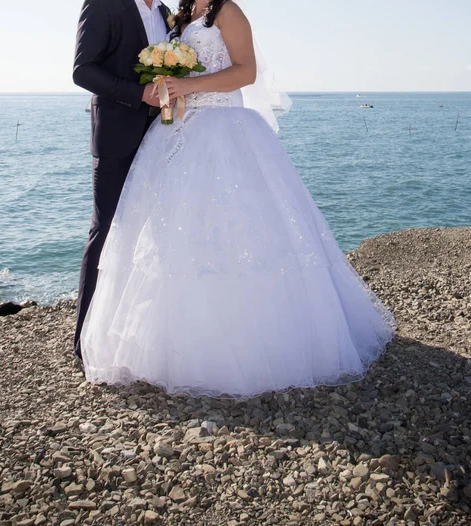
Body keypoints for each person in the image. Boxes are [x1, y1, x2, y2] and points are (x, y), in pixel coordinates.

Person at [80, 0, 396, 398]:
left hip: (224, 129)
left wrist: (189, 85)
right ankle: (173, 341)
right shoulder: (177, 17)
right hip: (177, 131)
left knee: (235, 232)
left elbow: (247, 71)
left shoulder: (226, 10)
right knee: (171, 237)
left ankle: (249, 344)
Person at [72, 0, 174, 370]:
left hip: (165, 136)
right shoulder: (104, 4)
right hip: (117, 136)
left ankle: (138, 338)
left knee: (155, 234)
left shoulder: (166, 13)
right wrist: (139, 93)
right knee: (107, 230)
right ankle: (86, 341)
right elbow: (83, 71)